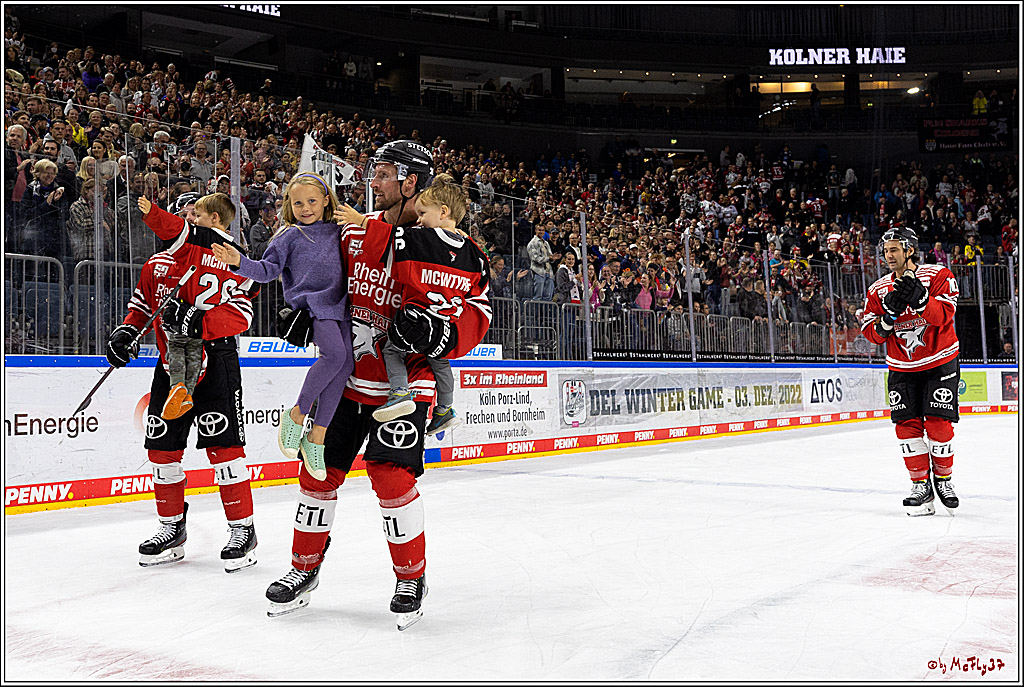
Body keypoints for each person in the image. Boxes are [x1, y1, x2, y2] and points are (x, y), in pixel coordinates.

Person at [264, 140, 491, 630]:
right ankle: (303, 569)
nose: (375, 182)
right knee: (318, 473)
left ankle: (411, 576)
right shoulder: (354, 230)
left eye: (386, 173)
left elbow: (478, 312)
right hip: (350, 380)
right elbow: (327, 281)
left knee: (391, 479)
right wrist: (306, 312)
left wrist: (444, 333)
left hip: (407, 382)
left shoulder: (452, 246)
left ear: (413, 182)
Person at [108, 188, 260, 571]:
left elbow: (243, 315)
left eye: (196, 213)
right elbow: (142, 305)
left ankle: (243, 529)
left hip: (216, 363)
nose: (189, 220)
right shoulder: (156, 263)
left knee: (224, 450)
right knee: (162, 451)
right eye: (185, 213)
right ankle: (171, 527)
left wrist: (201, 321)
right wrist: (126, 332)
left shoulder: (227, 260)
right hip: (168, 367)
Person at [212, 172, 354, 481]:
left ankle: (317, 438)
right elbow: (266, 271)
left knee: (345, 365)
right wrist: (238, 261)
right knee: (333, 356)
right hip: (314, 307)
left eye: (312, 201)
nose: (305, 208)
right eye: (298, 202)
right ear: (289, 205)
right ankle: (296, 415)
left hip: (343, 305)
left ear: (327, 200)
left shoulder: (340, 230)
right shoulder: (289, 236)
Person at [336, 172, 488, 436]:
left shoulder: (422, 240)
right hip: (445, 324)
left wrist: (360, 220)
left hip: (415, 319)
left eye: (423, 214)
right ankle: (445, 408)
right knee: (441, 361)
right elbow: (478, 288)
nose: (418, 221)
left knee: (393, 351)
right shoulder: (474, 253)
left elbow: (389, 240)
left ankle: (399, 393)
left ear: (442, 212)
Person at [860, 226, 961, 517]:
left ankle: (944, 481)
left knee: (939, 425)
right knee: (906, 428)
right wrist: (887, 321)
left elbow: (943, 317)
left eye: (894, 249)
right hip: (902, 366)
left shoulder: (939, 276)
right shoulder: (878, 290)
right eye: (886, 250)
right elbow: (871, 332)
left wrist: (920, 300)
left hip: (940, 360)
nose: (888, 255)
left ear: (909, 250)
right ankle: (920, 486)